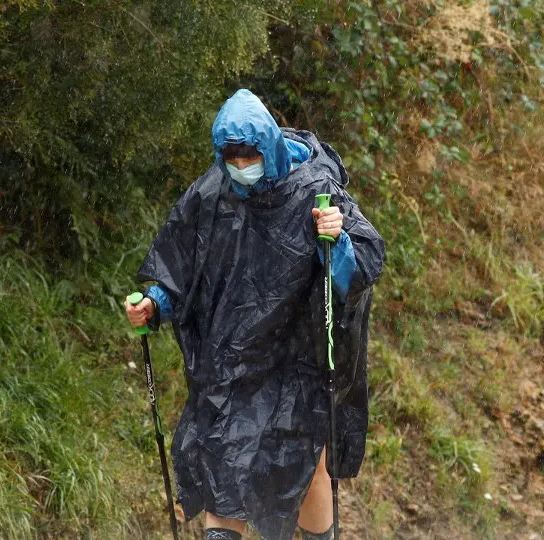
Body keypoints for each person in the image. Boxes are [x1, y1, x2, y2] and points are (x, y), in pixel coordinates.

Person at [124, 89, 384, 540]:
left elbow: (359, 271)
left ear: (268, 146)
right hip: (231, 362)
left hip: (297, 363)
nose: (242, 165)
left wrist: (337, 239)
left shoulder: (316, 190)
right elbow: (183, 268)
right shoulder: (211, 194)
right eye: (232, 156)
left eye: (250, 155)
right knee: (222, 465)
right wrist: (156, 305)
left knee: (303, 469)